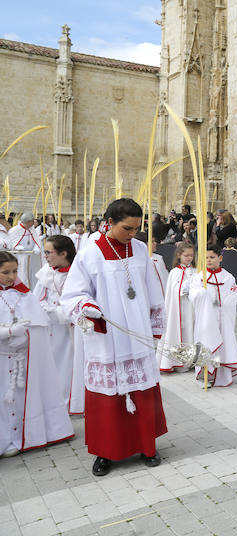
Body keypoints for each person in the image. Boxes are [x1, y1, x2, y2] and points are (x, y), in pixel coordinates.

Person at [60, 198, 167, 476]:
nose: (132, 234)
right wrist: (88, 306)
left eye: (136, 229)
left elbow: (152, 287)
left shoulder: (141, 249)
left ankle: (147, 446)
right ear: (109, 223)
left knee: (142, 391)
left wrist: (155, 324)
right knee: (107, 395)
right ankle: (105, 453)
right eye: (127, 228)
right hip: (107, 334)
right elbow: (72, 294)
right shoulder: (90, 253)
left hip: (137, 332)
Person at [0, 251, 74, 457]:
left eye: (14, 271)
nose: (11, 276)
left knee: (18, 397)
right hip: (1, 356)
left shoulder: (25, 295)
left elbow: (38, 325)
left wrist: (26, 333)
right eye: (5, 272)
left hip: (21, 358)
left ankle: (20, 436)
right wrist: (7, 332)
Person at [33, 235, 79, 410]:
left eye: (48, 252)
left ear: (63, 253)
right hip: (49, 327)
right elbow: (36, 299)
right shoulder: (47, 271)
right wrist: (47, 310)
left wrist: (60, 312)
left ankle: (67, 402)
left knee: (67, 366)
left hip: (70, 330)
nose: (45, 256)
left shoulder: (77, 273)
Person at [189, 244, 237, 387]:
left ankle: (223, 375)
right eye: (206, 257)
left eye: (212, 257)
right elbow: (193, 294)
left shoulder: (228, 277)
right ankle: (203, 376)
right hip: (206, 319)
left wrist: (223, 306)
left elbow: (233, 295)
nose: (209, 260)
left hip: (223, 318)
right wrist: (202, 294)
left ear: (220, 258)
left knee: (224, 344)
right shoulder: (200, 277)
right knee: (206, 342)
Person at [159, 242, 196, 372]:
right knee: (182, 331)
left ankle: (190, 360)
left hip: (192, 308)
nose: (189, 258)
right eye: (186, 255)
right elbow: (175, 291)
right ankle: (178, 361)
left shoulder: (195, 271)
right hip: (180, 308)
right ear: (179, 255)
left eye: (191, 255)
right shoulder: (175, 272)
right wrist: (187, 286)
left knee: (191, 331)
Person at [7, 213, 42, 288]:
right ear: (28, 222)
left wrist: (37, 247)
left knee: (32, 275)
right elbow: (10, 243)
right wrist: (17, 247)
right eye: (32, 221)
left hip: (32, 257)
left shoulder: (32, 229)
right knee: (22, 275)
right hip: (20, 257)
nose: (33, 222)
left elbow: (37, 241)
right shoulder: (14, 230)